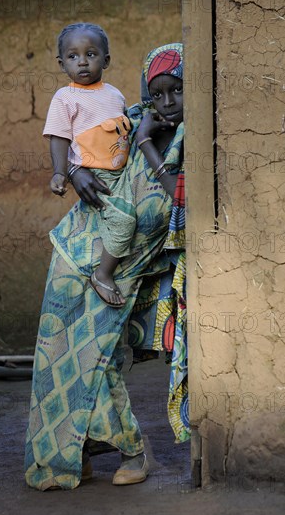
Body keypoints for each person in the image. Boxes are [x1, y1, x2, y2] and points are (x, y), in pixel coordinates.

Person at [24, 42, 188, 491]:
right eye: (158, 93)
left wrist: (146, 146)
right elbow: (79, 142)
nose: (167, 102)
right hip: (74, 248)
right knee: (56, 359)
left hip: (122, 269)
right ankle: (74, 456)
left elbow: (181, 199)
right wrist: (74, 172)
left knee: (98, 359)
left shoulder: (187, 141)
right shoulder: (129, 118)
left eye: (177, 91)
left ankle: (134, 450)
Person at [46, 22, 139, 307]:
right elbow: (59, 137)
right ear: (62, 65)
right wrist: (62, 172)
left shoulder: (115, 94)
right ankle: (103, 274)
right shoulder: (66, 97)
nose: (82, 61)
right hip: (96, 175)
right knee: (124, 221)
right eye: (73, 57)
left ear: (106, 60)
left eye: (91, 54)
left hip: (122, 172)